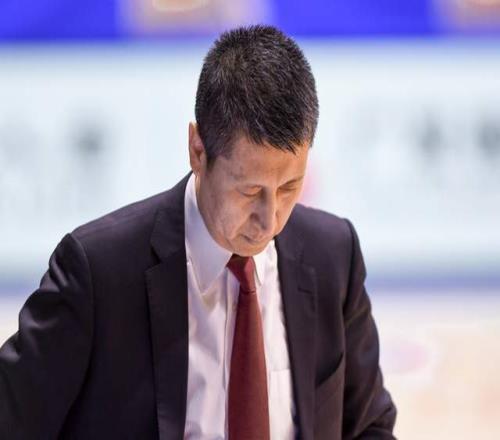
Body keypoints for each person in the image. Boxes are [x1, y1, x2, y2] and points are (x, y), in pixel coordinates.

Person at [0, 25, 396, 439]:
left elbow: (369, 426)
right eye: (250, 191)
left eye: (289, 188)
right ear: (197, 150)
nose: (270, 220)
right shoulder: (98, 273)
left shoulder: (334, 256)